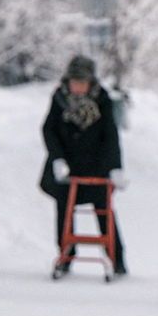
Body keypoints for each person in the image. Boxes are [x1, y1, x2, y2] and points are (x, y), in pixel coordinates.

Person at [40, 55, 128, 278]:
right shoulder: (59, 99)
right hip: (68, 167)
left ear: (91, 83)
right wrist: (57, 158)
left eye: (82, 83)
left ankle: (116, 257)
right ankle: (66, 253)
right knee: (64, 207)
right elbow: (49, 130)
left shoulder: (103, 100)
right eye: (74, 82)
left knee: (104, 209)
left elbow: (110, 135)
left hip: (96, 166)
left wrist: (115, 167)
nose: (78, 87)